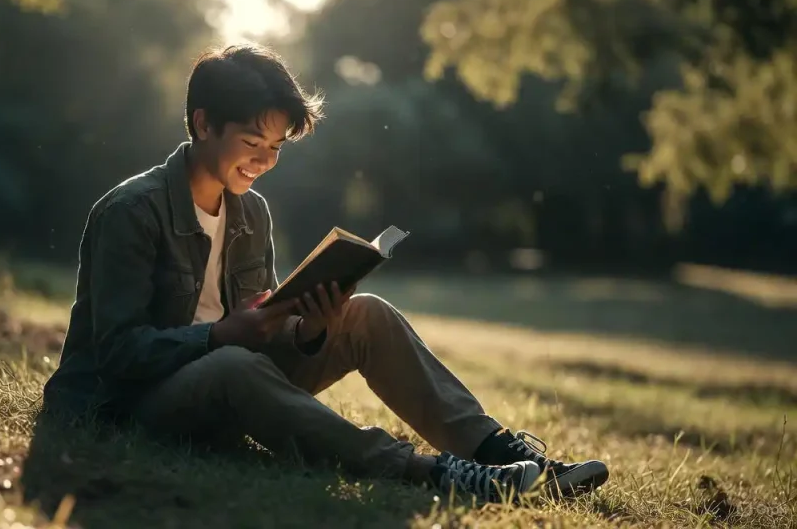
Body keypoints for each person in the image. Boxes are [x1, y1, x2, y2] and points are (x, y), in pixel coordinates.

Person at [42, 43, 609, 503]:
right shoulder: (131, 212)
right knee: (234, 364)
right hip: (130, 406)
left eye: (276, 146)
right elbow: (117, 353)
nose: (265, 161)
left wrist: (310, 328)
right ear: (203, 123)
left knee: (365, 314)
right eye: (252, 142)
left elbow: (262, 329)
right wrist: (218, 336)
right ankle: (433, 473)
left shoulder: (250, 212)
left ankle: (499, 452)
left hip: (232, 376)